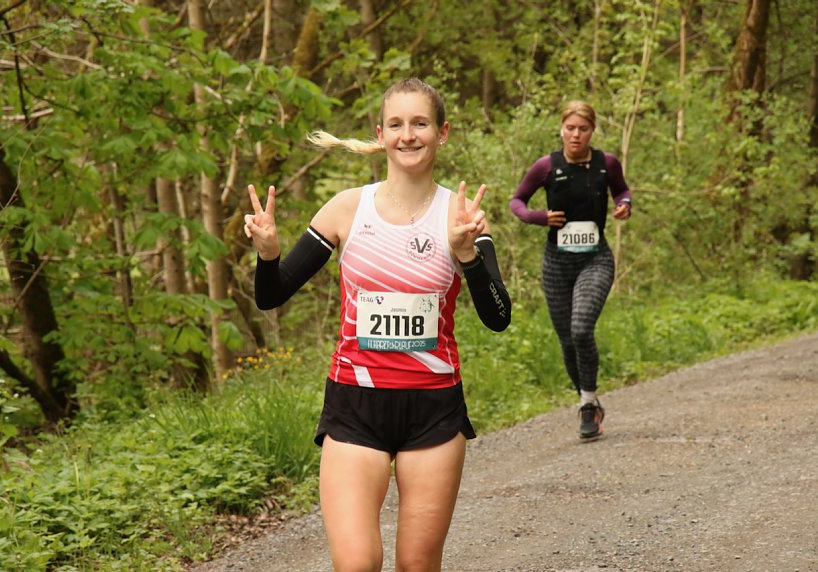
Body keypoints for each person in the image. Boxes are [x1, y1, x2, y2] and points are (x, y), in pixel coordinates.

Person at [244, 77, 511, 572]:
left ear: (442, 132)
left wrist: (468, 255)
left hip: (433, 407)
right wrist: (268, 254)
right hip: (354, 406)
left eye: (420, 124)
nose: (408, 135)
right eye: (396, 124)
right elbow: (271, 294)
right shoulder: (347, 208)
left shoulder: (463, 215)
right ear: (380, 133)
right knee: (358, 563)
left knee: (416, 566)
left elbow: (499, 317)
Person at [509, 100, 632, 441]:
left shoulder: (606, 163)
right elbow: (516, 202)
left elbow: (621, 190)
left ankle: (588, 403)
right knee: (566, 340)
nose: (576, 135)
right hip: (556, 264)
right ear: (561, 129)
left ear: (592, 131)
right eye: (570, 128)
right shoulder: (546, 166)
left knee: (581, 329)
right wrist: (538, 217)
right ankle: (586, 400)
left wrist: (625, 204)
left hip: (596, 258)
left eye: (583, 129)